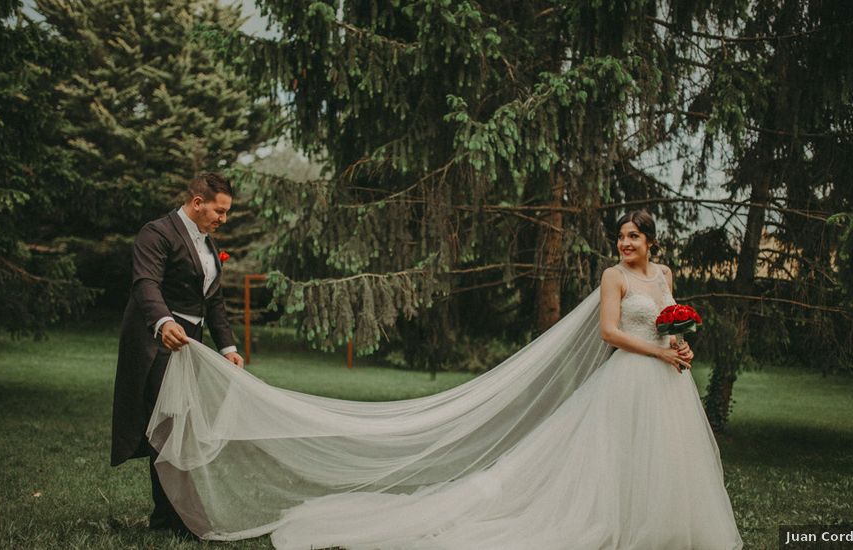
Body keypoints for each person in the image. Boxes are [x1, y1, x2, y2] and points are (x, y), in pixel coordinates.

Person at [147, 210, 743, 549]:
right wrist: (657, 353)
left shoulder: (663, 273)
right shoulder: (614, 276)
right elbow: (612, 333)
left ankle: (666, 527)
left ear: (652, 243)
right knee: (617, 456)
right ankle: (620, 525)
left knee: (663, 458)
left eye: (634, 236)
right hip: (634, 376)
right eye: (621, 235)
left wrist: (678, 343)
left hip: (667, 376)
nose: (624, 242)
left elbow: (668, 318)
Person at [110, 171, 244, 538]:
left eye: (226, 212)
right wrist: (164, 322)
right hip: (158, 344)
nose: (223, 219)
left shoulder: (210, 245)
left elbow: (213, 301)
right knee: (167, 429)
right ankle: (178, 519)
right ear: (197, 202)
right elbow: (146, 283)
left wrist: (228, 347)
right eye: (219, 211)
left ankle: (169, 517)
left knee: (181, 428)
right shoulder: (157, 233)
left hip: (193, 349)